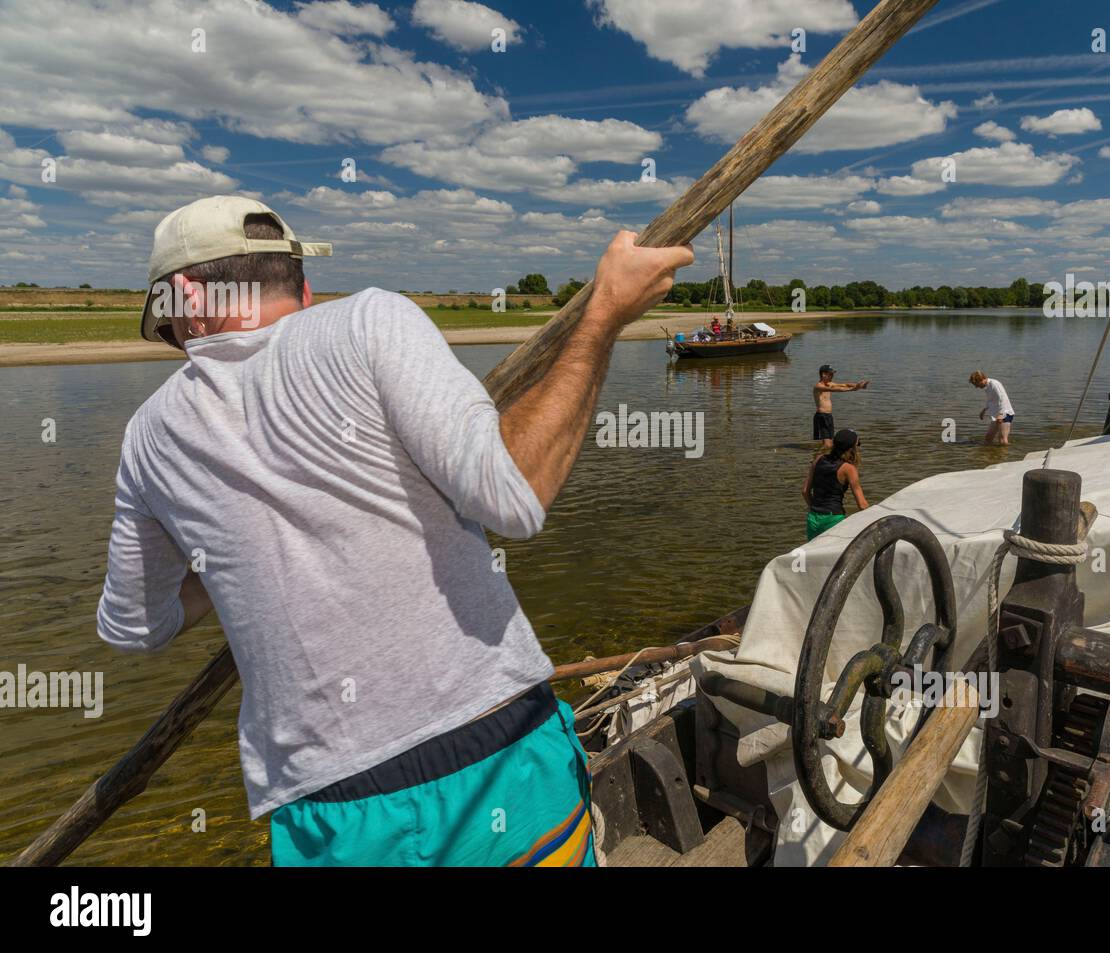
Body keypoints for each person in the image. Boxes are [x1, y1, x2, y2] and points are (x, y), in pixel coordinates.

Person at [95, 195, 694, 866]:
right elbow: (515, 496)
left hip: (331, 808)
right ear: (302, 286)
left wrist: (228, 553)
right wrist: (604, 315)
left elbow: (133, 626)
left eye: (166, 328)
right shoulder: (368, 320)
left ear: (182, 297)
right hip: (492, 751)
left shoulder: (147, 435)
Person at [802, 428, 869, 540]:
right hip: (833, 519)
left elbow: (805, 491)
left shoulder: (818, 459)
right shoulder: (848, 469)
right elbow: (862, 505)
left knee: (813, 554)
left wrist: (815, 509)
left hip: (813, 518)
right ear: (851, 449)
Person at [813, 364, 868, 450]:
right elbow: (835, 390)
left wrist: (858, 386)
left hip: (828, 416)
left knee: (830, 444)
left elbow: (844, 385)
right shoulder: (819, 386)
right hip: (821, 416)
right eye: (830, 374)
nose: (832, 376)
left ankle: (822, 456)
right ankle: (818, 459)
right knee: (827, 445)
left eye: (833, 374)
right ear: (823, 374)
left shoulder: (829, 384)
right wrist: (852, 389)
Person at [970, 370, 1015, 445]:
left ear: (981, 379)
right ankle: (991, 454)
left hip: (1005, 413)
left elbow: (1002, 399)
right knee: (988, 438)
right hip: (996, 415)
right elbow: (991, 399)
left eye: (976, 384)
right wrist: (984, 410)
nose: (976, 387)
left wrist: (1001, 414)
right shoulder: (987, 387)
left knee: (1003, 441)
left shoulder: (994, 384)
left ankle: (1006, 455)